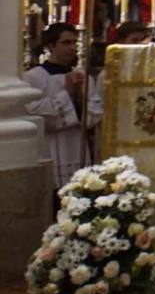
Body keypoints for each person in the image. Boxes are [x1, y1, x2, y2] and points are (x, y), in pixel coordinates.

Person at [24, 23, 103, 189]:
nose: (73, 47)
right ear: (51, 46)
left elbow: (95, 113)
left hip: (77, 145)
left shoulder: (83, 76)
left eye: (75, 43)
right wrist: (67, 94)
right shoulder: (33, 77)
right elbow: (35, 113)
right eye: (66, 43)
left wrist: (80, 99)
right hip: (51, 146)